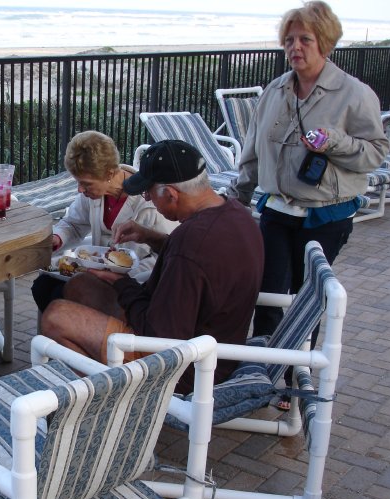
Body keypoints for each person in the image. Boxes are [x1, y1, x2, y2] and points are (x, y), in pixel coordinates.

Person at [41, 140, 264, 394]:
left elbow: (159, 333)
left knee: (56, 316)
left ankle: (113, 399)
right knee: (80, 285)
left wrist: (122, 284)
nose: (146, 198)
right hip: (207, 340)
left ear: (171, 194)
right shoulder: (236, 213)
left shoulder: (192, 243)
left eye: (148, 192)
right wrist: (150, 237)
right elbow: (192, 265)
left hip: (185, 366)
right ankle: (105, 381)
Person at [230, 1, 387, 338]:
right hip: (276, 211)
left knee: (308, 302)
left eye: (305, 39)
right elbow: (252, 152)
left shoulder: (355, 94)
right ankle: (265, 367)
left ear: (325, 43)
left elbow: (375, 153)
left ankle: (297, 370)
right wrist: (237, 197)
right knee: (267, 298)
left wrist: (334, 142)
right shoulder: (274, 91)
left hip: (325, 216)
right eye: (289, 40)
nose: (294, 47)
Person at [31, 130, 175, 313]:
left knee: (61, 296)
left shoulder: (150, 202)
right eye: (77, 182)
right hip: (96, 273)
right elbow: (73, 223)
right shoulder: (92, 194)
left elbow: (165, 257)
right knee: (43, 285)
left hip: (133, 284)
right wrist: (58, 238)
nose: (80, 189)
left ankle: (77, 329)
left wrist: (121, 274)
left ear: (109, 173)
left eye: (86, 183)